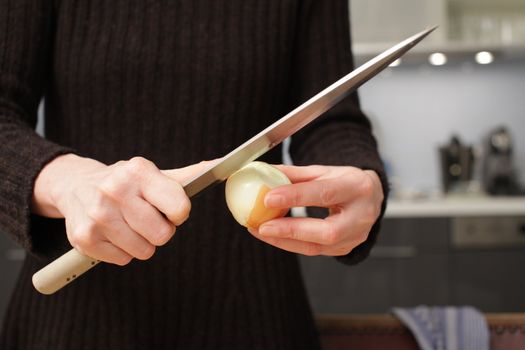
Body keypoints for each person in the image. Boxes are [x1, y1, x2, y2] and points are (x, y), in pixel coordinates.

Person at [0, 0, 388, 349]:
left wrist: (358, 177)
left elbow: (330, 121)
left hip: (255, 318)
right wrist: (67, 181)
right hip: (73, 321)